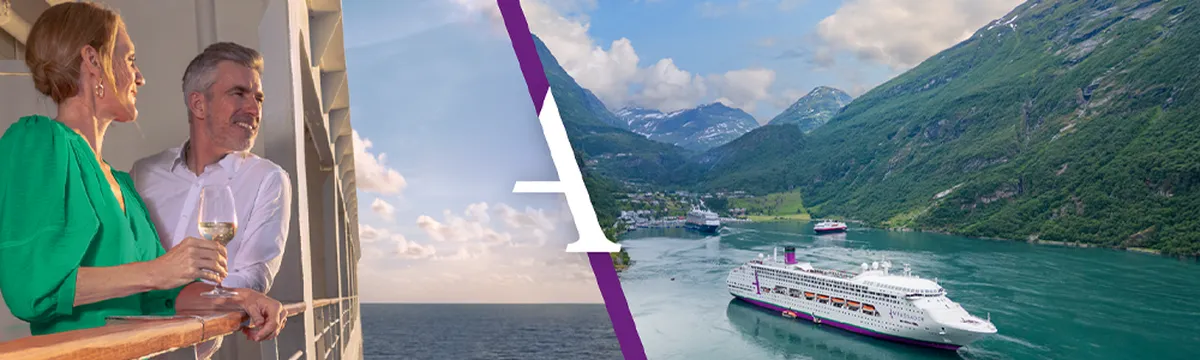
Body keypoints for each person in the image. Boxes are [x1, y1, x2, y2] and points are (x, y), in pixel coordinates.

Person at [0, 2, 286, 342]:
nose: (140, 77)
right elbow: (30, 287)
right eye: (130, 59)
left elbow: (161, 296)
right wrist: (157, 271)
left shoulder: (124, 184)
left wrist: (242, 298)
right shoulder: (38, 141)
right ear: (93, 61)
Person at [130, 42, 292, 359]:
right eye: (239, 93)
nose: (254, 109)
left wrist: (162, 294)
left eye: (258, 98)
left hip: (189, 351)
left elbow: (250, 280)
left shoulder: (268, 179)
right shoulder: (143, 173)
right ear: (199, 105)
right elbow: (124, 263)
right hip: (119, 344)